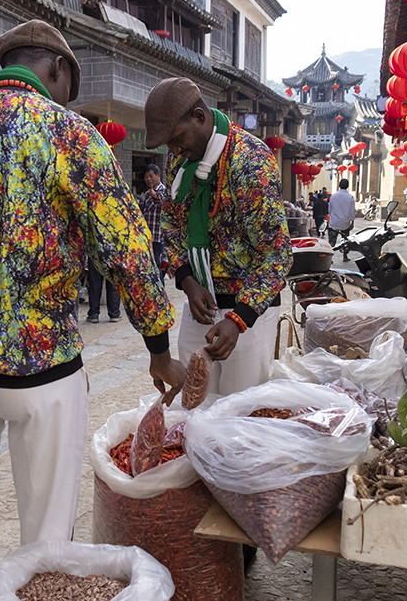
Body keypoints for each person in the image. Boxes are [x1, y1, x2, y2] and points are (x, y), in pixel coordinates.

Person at [0, 20, 188, 601]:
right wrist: (157, 345)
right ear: (57, 70)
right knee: (46, 536)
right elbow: (125, 247)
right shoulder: (70, 133)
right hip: (44, 372)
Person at [144, 77, 291, 397]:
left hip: (250, 312)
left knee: (239, 413)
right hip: (201, 305)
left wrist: (239, 319)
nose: (174, 150)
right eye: (168, 145)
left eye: (177, 139)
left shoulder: (250, 161)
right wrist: (187, 281)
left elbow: (277, 253)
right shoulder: (179, 160)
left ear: (199, 117)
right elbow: (171, 226)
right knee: (194, 404)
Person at [139, 163, 168, 280]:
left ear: (158, 176)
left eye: (151, 176)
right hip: (148, 237)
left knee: (157, 267)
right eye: (146, 177)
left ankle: (160, 293)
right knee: (150, 267)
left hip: (157, 238)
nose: (148, 179)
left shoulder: (162, 191)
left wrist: (155, 196)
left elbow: (162, 202)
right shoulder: (148, 193)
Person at [327, 178, 356, 260]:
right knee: (345, 241)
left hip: (334, 222)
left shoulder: (333, 196)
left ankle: (329, 259)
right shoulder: (350, 197)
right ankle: (345, 256)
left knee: (332, 242)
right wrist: (352, 223)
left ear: (339, 185)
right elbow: (352, 211)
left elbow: (330, 209)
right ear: (348, 186)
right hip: (345, 223)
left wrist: (331, 217)